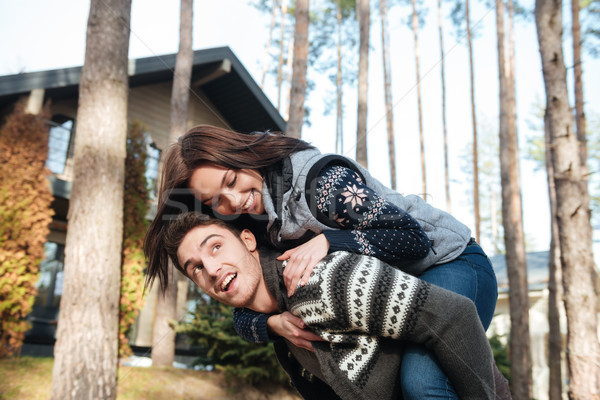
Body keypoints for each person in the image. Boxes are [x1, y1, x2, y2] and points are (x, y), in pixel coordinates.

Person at [144, 124, 500, 399]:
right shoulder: (252, 217)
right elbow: (242, 305)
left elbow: (413, 241)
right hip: (400, 291)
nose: (233, 201)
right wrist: (272, 325)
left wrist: (328, 240)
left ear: (243, 157)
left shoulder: (320, 183)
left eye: (232, 181)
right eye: (216, 200)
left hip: (449, 261)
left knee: (421, 382)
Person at [156, 211, 497, 400]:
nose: (211, 270)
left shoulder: (323, 281)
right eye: (196, 268)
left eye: (215, 247)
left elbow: (456, 316)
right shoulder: (277, 324)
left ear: (248, 240)